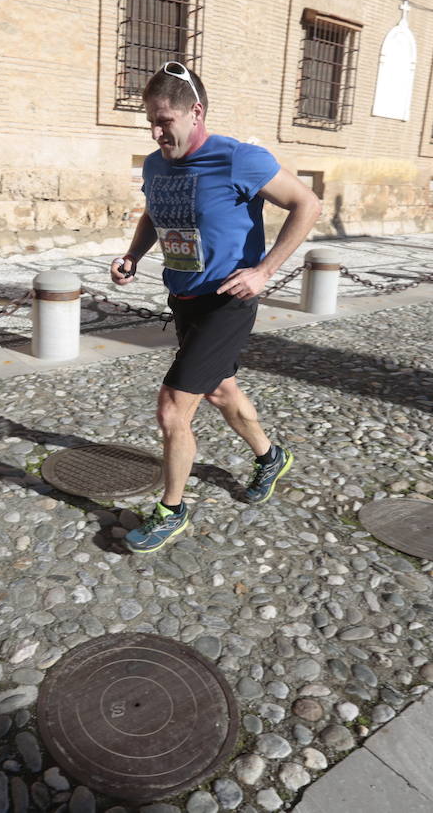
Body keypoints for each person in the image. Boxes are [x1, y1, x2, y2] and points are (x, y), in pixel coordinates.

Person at [109, 61, 321, 554]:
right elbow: (153, 210)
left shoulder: (239, 158)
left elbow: (307, 203)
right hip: (183, 296)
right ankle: (271, 457)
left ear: (195, 112)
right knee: (222, 391)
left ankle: (171, 510)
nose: (158, 132)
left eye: (164, 120)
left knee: (171, 410)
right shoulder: (157, 164)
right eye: (151, 122)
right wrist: (133, 255)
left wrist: (264, 271)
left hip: (229, 299)